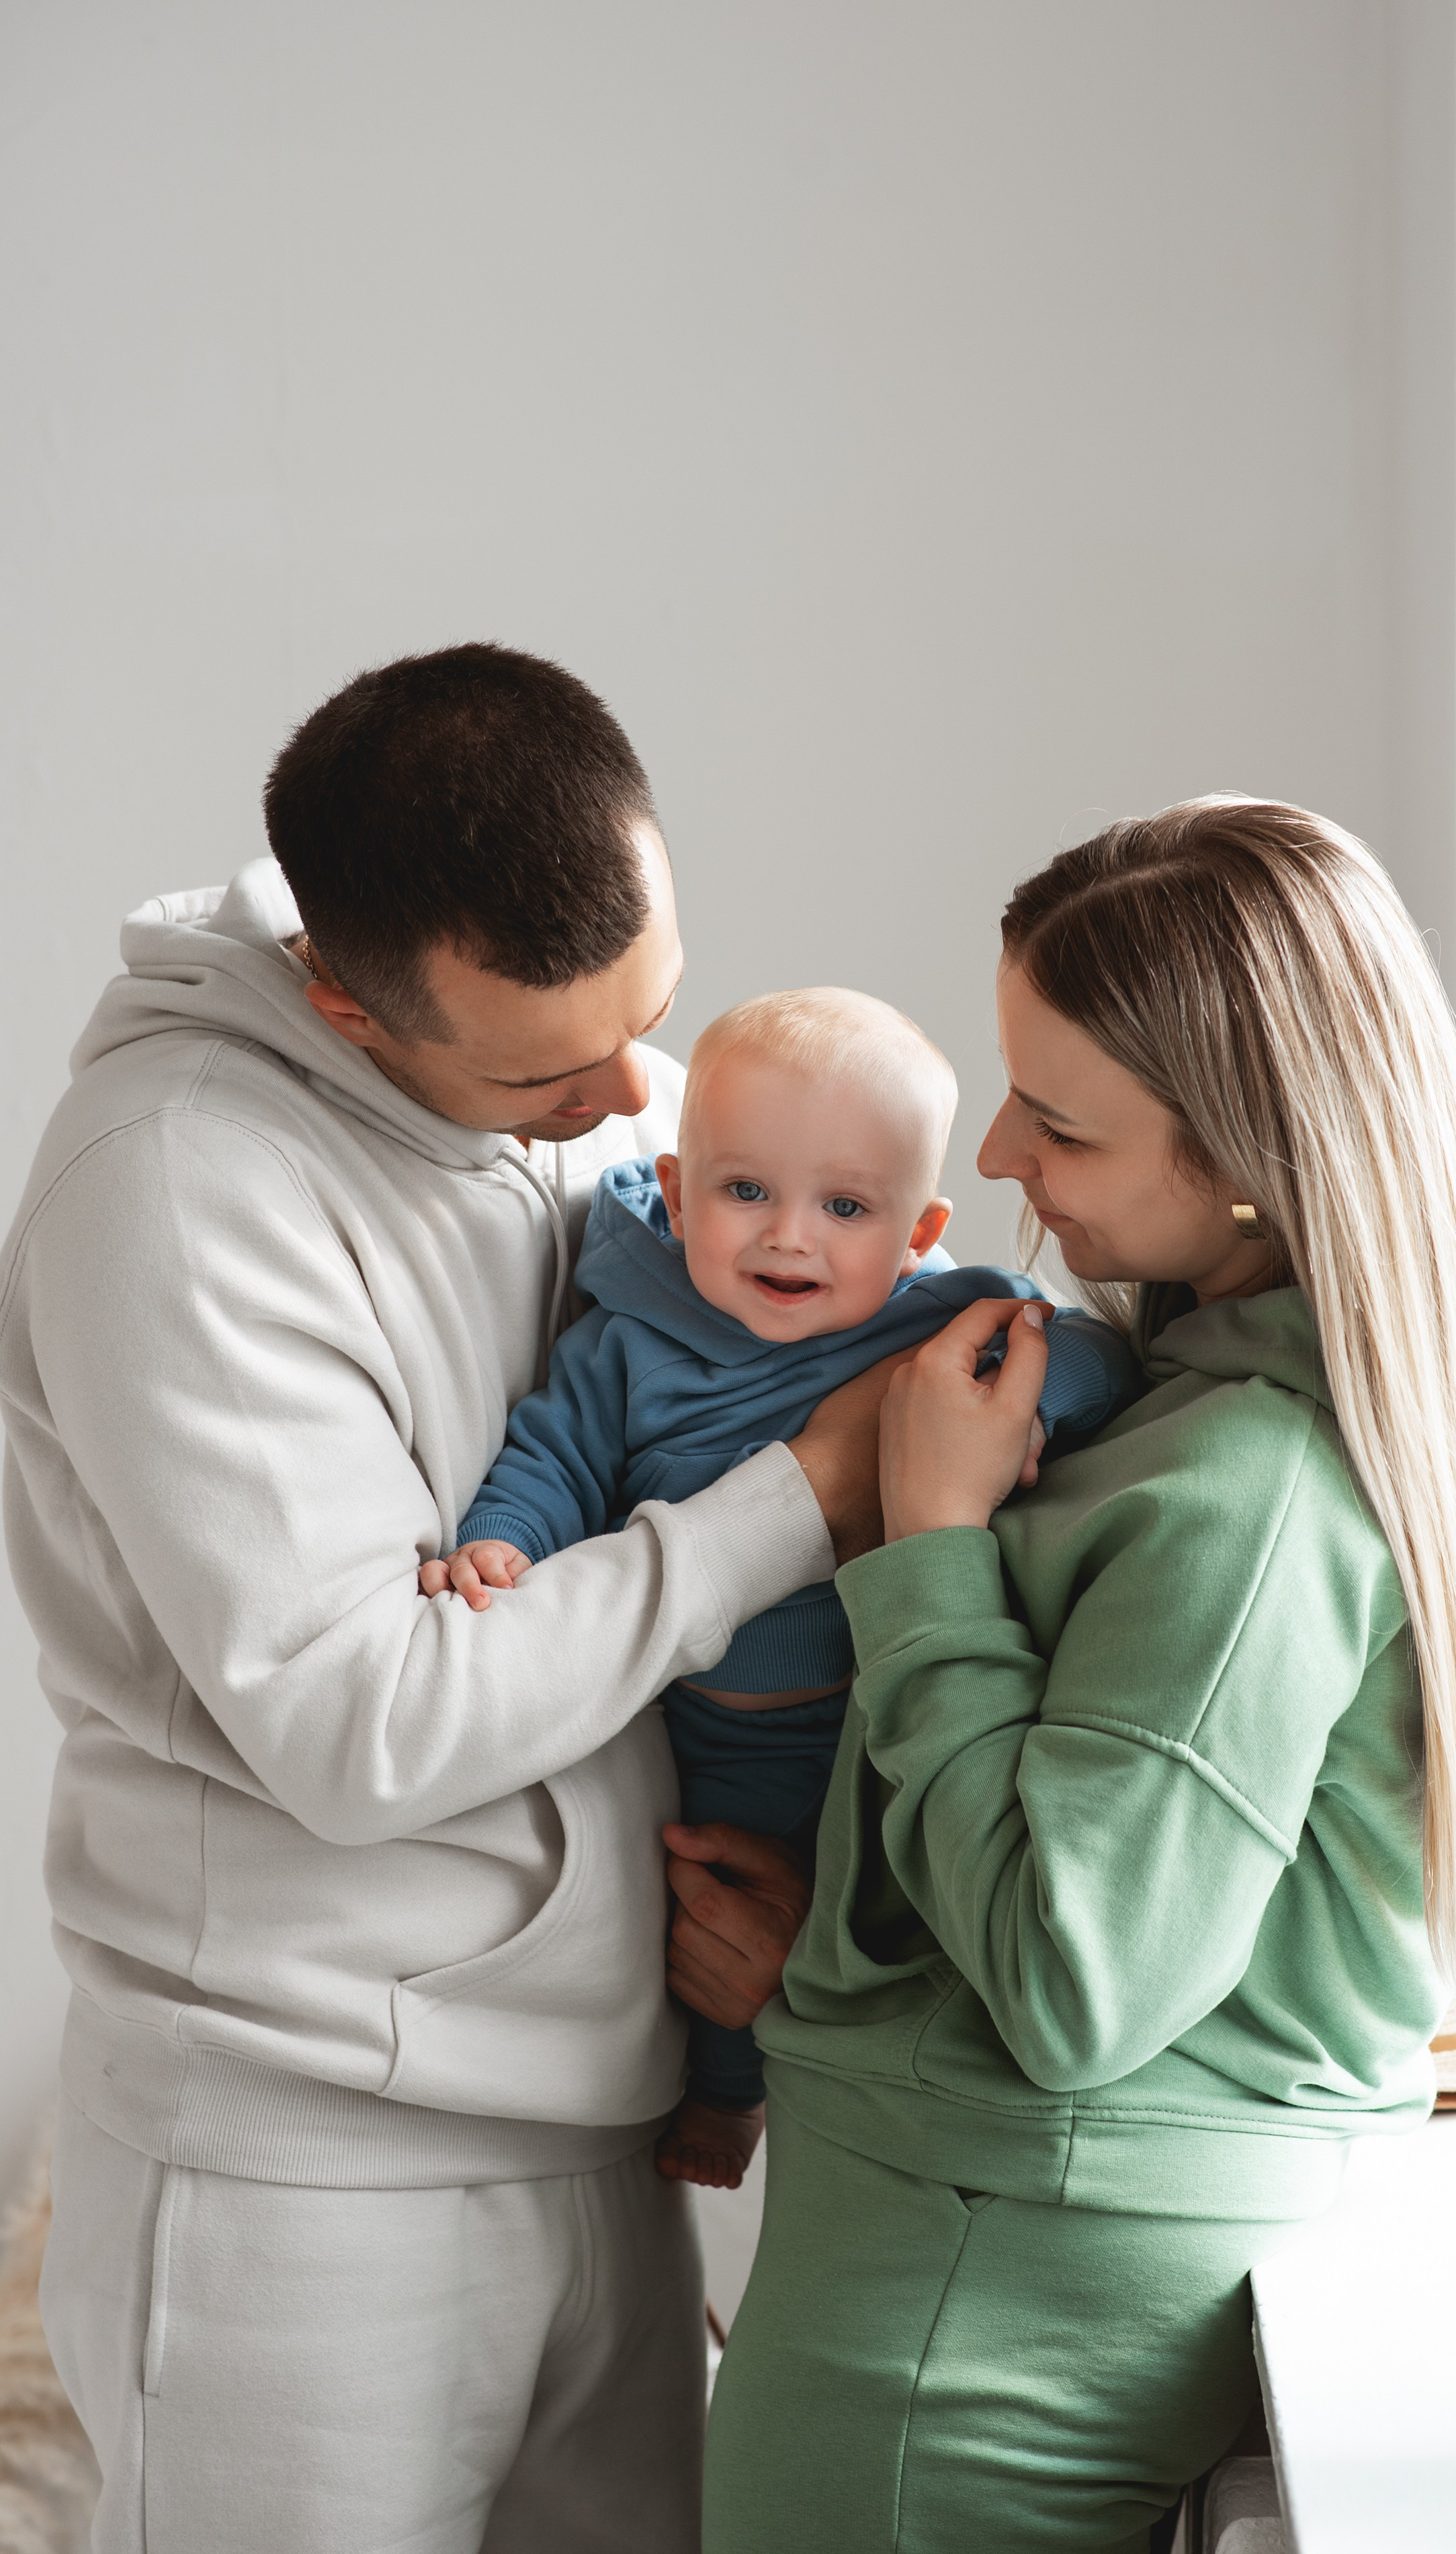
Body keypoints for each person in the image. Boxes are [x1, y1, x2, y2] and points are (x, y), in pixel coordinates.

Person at [1, 643, 885, 2554]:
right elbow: (363, 1716)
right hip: (304, 2178)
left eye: (650, 1013)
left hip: (606, 2127)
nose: (635, 1094)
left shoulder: (581, 1109)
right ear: (345, 1004)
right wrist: (797, 1501)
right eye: (554, 1069)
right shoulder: (172, 1183)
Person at [695, 797, 1456, 2551]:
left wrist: (923, 1539)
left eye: (1064, 1122)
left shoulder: (1244, 1493)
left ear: (1246, 1154)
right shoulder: (1325, 1400)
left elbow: (1079, 1984)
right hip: (1021, 2272)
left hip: (962, 2355)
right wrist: (836, 1931)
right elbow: (1169, 1895)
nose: (1011, 1156)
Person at [429, 987, 1137, 2188]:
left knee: (884, 1911)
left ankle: (829, 2110)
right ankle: (720, 2107)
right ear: (675, 1182)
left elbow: (1086, 1349)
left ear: (920, 1231)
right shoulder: (628, 1342)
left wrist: (1034, 1411)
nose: (788, 1238)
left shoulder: (942, 1320)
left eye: (846, 1207)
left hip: (885, 1714)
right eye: (744, 1190)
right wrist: (505, 1539)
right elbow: (553, 1456)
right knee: (706, 1913)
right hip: (704, 1728)